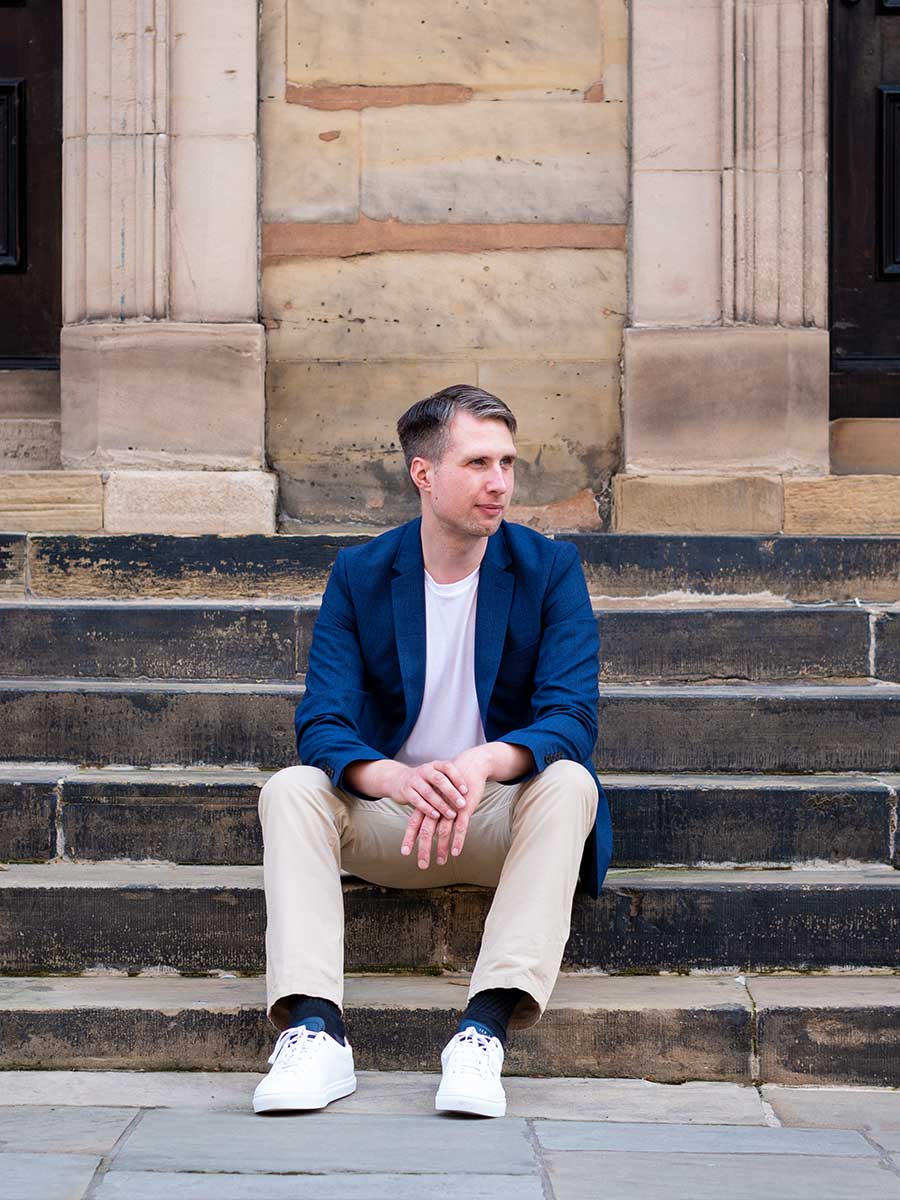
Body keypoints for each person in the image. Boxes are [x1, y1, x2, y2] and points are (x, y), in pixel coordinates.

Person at [253, 384, 612, 1117]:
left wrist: (485, 761)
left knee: (572, 780)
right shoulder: (361, 573)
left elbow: (571, 716)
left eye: (508, 462)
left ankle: (482, 1033)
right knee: (290, 788)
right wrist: (390, 777)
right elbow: (323, 719)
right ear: (423, 474)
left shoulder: (549, 569)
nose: (500, 482)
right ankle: (314, 1032)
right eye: (478, 461)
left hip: (498, 822)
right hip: (392, 818)